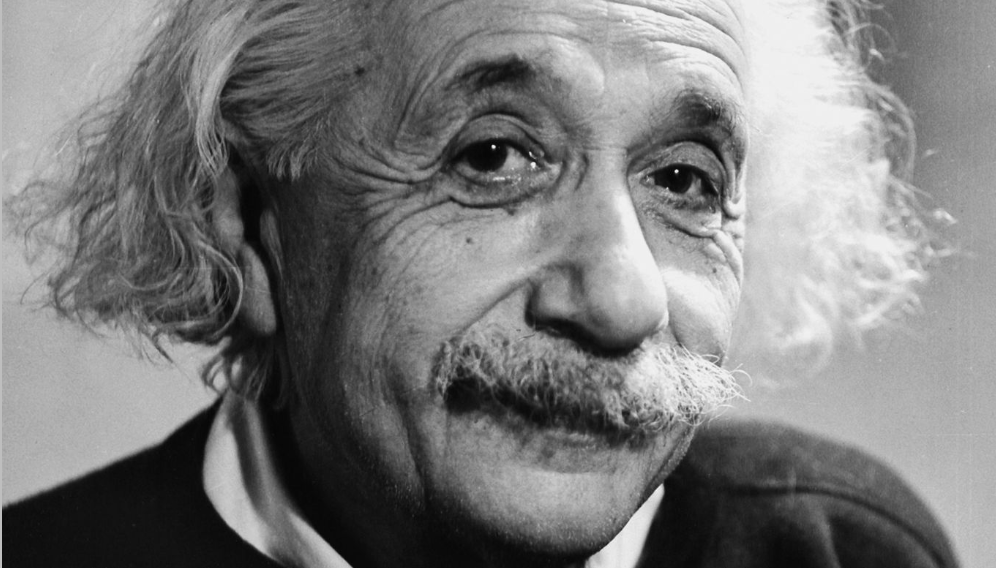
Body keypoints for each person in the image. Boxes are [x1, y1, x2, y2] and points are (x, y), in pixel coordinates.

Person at [3, 0, 959, 566]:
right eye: (495, 157)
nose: (623, 302)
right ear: (247, 226)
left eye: (682, 180)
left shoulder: (841, 549)